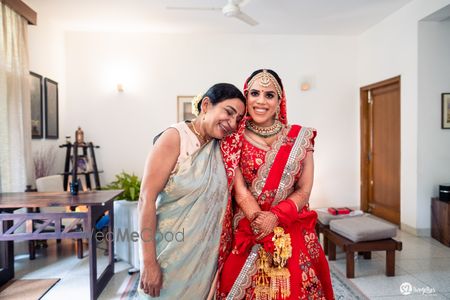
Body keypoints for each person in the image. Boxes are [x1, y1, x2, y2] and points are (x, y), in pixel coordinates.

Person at [217, 70, 334, 299]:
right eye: (255, 93)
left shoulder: (300, 137)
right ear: (246, 97)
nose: (261, 101)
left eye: (269, 95)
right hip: (249, 227)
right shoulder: (233, 137)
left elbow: (304, 189)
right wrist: (260, 220)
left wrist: (276, 217)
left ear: (280, 101)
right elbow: (239, 190)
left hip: (291, 226)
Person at [138, 83, 246, 299]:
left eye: (238, 119)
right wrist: (148, 263)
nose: (232, 123)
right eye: (228, 112)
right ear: (206, 105)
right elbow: (146, 199)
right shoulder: (175, 137)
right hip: (169, 256)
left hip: (205, 263)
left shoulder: (221, 148)